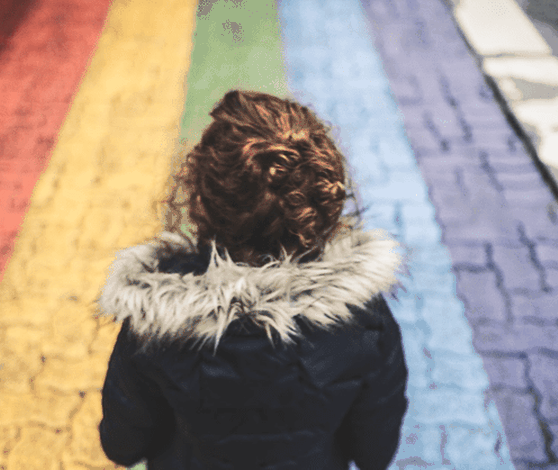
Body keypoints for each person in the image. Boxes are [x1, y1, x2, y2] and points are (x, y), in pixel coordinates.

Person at [97, 90, 408, 470]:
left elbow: (122, 445)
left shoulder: (153, 321)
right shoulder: (364, 320)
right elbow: (374, 452)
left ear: (202, 198)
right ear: (320, 198)